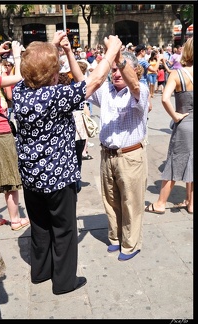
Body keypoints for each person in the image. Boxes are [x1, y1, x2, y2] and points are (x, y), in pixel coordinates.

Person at [11, 31, 122, 295]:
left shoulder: (19, 92)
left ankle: (40, 273)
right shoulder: (55, 97)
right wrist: (111, 50)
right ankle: (64, 282)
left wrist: (56, 47)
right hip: (58, 177)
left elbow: (36, 67)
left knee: (40, 227)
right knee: (64, 230)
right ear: (50, 75)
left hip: (31, 177)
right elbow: (94, 81)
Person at [85, 50, 149, 261]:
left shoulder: (140, 90)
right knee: (111, 201)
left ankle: (131, 244)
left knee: (131, 203)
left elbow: (136, 87)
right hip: (108, 155)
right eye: (113, 70)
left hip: (130, 157)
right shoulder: (107, 90)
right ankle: (115, 238)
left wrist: (119, 58)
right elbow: (81, 80)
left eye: (120, 69)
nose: (116, 74)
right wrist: (68, 52)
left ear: (131, 69)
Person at [0, 41, 30, 231]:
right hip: (0, 133)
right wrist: (17, 56)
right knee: (11, 180)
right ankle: (16, 219)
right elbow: (19, 77)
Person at [145, 37, 193, 215]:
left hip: (185, 124)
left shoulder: (177, 73)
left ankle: (160, 203)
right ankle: (191, 203)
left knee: (174, 162)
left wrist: (175, 116)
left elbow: (165, 98)